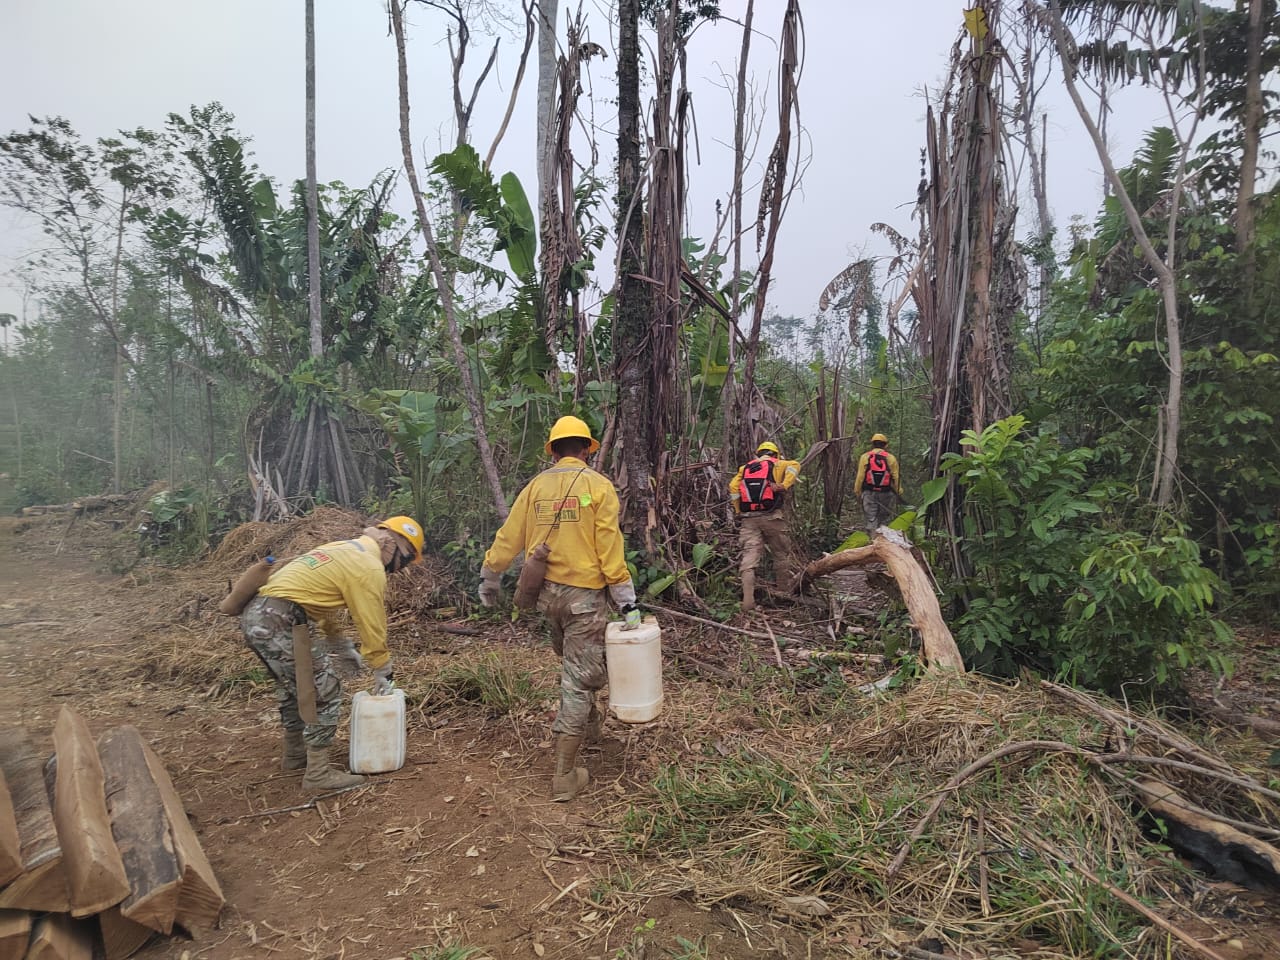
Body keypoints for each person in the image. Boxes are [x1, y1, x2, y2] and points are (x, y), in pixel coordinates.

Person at [477, 416, 639, 803]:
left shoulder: (534, 487)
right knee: (579, 679)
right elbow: (608, 547)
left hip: (546, 597)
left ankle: (592, 730)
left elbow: (509, 536)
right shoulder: (598, 487)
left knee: (575, 665)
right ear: (586, 449)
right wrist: (626, 599)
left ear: (553, 450)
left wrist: (490, 575)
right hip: (584, 598)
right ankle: (565, 775)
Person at [240, 516, 424, 794]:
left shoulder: (343, 549)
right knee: (323, 691)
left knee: (296, 688)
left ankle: (295, 755)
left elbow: (316, 601)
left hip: (258, 615)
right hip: (282, 618)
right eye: (407, 560)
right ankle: (318, 774)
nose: (400, 569)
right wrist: (382, 666)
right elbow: (371, 620)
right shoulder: (369, 567)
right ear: (394, 545)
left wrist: (339, 643)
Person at [729, 440, 802, 612]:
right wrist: (784, 485)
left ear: (759, 453)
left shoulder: (745, 467)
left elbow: (733, 486)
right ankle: (783, 592)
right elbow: (795, 465)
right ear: (774, 454)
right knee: (781, 554)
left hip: (749, 519)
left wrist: (739, 509)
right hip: (772, 517)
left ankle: (748, 601)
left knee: (748, 559)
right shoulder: (778, 463)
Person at [853, 433, 902, 532]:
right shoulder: (890, 458)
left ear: (872, 444)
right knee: (884, 520)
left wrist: (857, 491)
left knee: (871, 519)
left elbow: (860, 476)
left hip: (869, 492)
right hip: (886, 493)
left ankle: (872, 541)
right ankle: (882, 541)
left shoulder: (865, 457)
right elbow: (896, 477)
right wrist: (898, 491)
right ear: (886, 445)